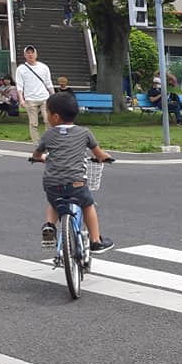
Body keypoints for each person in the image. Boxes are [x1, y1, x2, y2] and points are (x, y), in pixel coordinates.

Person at [32, 92, 114, 253]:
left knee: (55, 202)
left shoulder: (48, 135)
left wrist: (41, 158)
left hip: (52, 184)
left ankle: (49, 226)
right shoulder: (84, 133)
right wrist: (107, 158)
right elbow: (99, 154)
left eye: (47, 112)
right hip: (76, 183)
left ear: (55, 117)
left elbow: (36, 155)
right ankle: (96, 241)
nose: (46, 116)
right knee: (88, 205)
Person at [15, 45, 53, 142]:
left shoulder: (43, 67)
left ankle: (47, 141)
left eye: (32, 52)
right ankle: (37, 143)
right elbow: (19, 85)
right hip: (30, 99)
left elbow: (48, 83)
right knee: (33, 123)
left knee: (48, 120)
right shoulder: (21, 69)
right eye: (28, 53)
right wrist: (21, 99)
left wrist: (53, 95)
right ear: (25, 55)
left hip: (44, 97)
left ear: (36, 54)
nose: (30, 55)